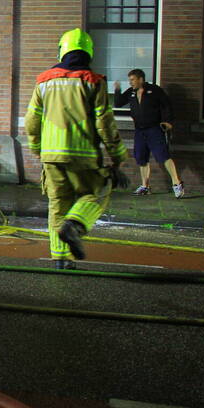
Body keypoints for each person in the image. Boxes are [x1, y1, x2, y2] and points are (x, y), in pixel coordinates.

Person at [25, 29, 127, 269]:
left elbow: (31, 120)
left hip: (51, 155)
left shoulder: (44, 82)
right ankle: (75, 225)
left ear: (63, 50)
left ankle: (61, 258)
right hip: (84, 156)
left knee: (58, 203)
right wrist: (118, 156)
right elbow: (104, 122)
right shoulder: (93, 82)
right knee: (98, 191)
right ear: (88, 53)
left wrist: (37, 148)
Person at [113, 69, 184, 198]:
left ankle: (177, 183)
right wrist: (117, 89)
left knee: (163, 155)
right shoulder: (131, 92)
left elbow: (166, 106)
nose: (131, 83)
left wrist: (168, 122)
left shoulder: (154, 90)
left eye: (133, 80)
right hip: (140, 130)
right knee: (141, 157)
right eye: (129, 80)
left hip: (154, 128)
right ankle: (145, 186)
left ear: (141, 79)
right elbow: (118, 103)